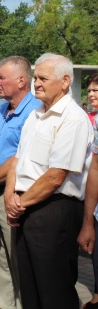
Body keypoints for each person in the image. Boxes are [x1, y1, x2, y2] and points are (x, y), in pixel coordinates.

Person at [4, 53, 93, 309]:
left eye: (43, 78)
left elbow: (56, 176)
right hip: (26, 206)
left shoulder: (72, 118)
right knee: (30, 289)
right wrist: (11, 195)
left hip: (55, 210)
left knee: (55, 291)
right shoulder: (35, 115)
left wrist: (18, 203)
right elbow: (16, 161)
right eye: (35, 77)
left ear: (65, 81)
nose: (37, 83)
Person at [0, 56, 40, 309]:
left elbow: (20, 157)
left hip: (15, 196)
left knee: (18, 260)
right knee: (0, 260)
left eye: (2, 77)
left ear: (21, 80)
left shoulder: (35, 111)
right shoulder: (1, 110)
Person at [77, 73, 98, 309]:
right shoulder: (88, 120)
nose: (91, 94)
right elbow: (94, 167)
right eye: (90, 90)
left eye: (96, 90)